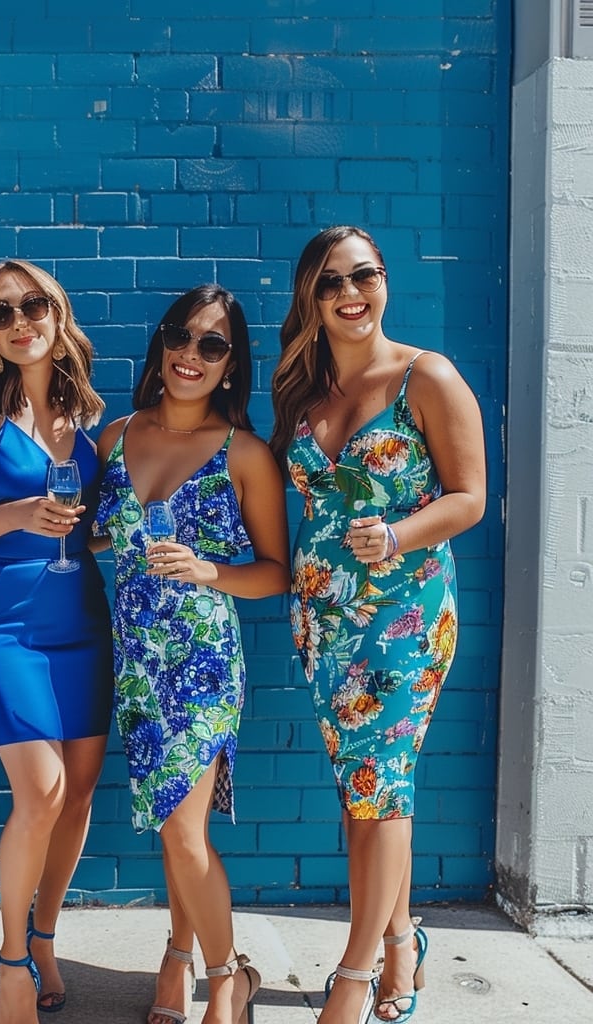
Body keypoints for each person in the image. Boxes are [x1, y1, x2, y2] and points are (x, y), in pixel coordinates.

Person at [269, 226, 486, 1024]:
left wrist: (398, 534)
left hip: (403, 614)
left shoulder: (426, 376)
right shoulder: (304, 388)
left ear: (384, 282)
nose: (350, 293)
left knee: (379, 788)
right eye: (332, 282)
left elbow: (469, 496)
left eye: (364, 275)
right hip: (323, 619)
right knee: (363, 792)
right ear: (311, 298)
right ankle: (403, 947)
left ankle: (355, 979)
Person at [94, 284, 290, 1024]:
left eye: (212, 344)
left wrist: (211, 570)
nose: (191, 354)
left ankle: (226, 978)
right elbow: (98, 534)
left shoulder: (246, 454)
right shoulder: (117, 436)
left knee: (181, 824)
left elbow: (276, 571)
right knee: (177, 821)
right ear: (161, 344)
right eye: (181, 335)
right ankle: (176, 962)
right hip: (137, 661)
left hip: (202, 661)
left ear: (231, 365)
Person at [0, 259, 113, 1024]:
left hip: (81, 620)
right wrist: (18, 515)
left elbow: (94, 527)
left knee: (76, 795)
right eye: (2, 313)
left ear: (56, 311)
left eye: (33, 306)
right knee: (39, 791)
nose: (20, 323)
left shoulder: (89, 417)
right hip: (1, 622)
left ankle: (45, 936)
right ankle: (11, 963)